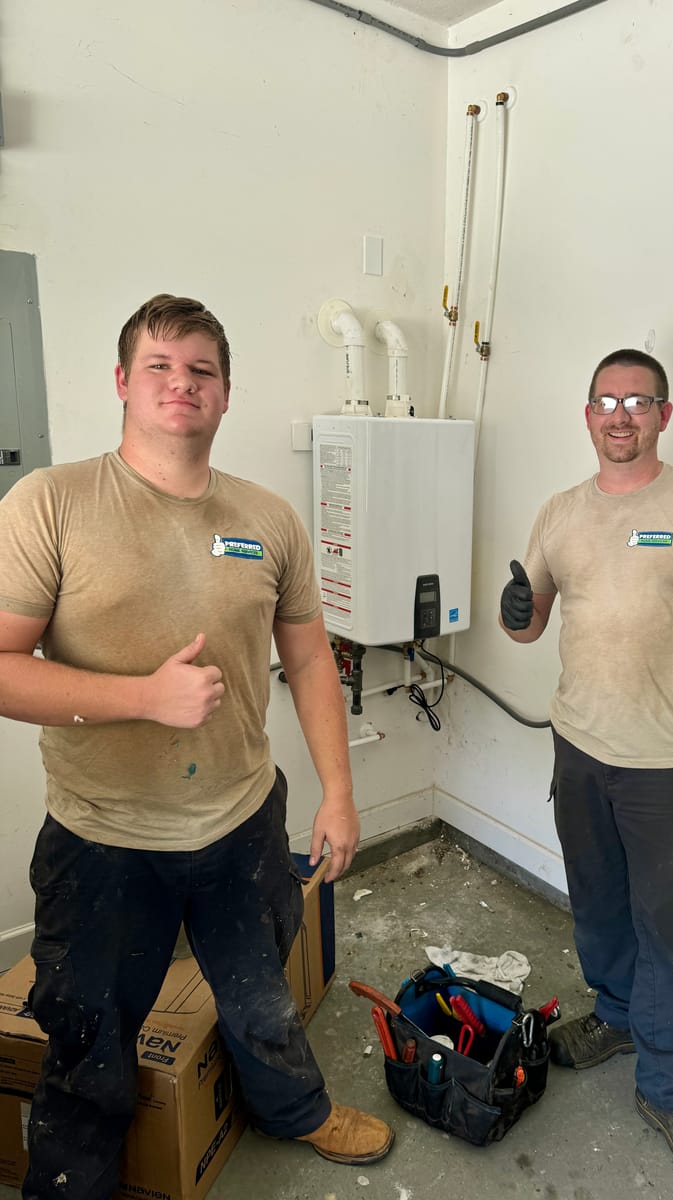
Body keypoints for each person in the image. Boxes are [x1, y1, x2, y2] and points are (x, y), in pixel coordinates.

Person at [0, 294, 394, 1200]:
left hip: (241, 818)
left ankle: (294, 1110)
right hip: (105, 838)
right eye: (160, 367)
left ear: (224, 395)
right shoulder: (52, 504)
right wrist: (142, 698)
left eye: (202, 371)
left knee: (262, 997)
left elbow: (309, 659)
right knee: (90, 1036)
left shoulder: (267, 516)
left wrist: (338, 790)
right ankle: (73, 1186)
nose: (182, 384)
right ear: (122, 383)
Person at [499, 349, 673, 1191]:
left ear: (664, 413)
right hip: (578, 752)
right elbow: (531, 621)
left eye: (637, 402)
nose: (621, 415)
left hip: (667, 765)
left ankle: (669, 1088)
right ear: (587, 415)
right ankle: (615, 1016)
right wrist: (517, 614)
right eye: (606, 401)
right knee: (601, 906)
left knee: (666, 925)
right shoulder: (559, 513)